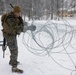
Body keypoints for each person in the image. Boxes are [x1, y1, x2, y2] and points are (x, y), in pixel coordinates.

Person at [1, 5, 27, 73]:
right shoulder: (10, 18)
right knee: (14, 50)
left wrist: (22, 26)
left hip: (12, 34)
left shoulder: (17, 17)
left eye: (19, 13)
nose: (19, 14)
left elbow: (21, 24)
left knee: (13, 49)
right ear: (15, 12)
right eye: (18, 13)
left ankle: (12, 61)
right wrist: (23, 28)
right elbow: (16, 28)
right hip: (9, 35)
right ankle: (14, 67)